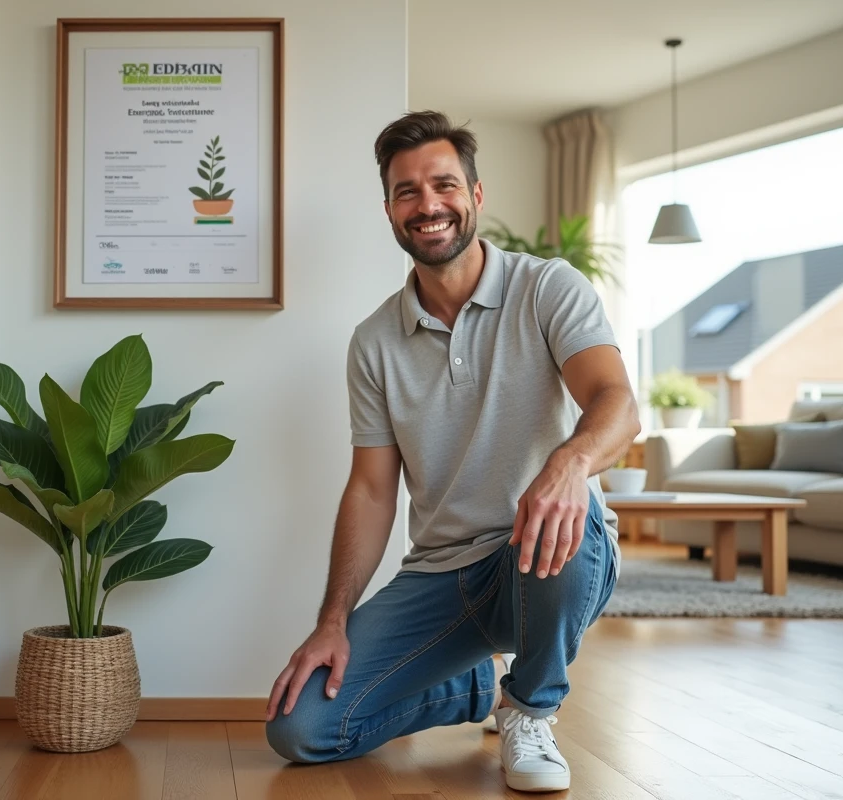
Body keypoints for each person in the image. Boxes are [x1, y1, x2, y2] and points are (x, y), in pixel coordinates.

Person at [264, 110, 639, 793]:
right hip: (443, 575)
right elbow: (373, 490)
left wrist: (569, 463)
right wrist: (331, 622)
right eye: (407, 191)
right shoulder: (375, 341)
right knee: (301, 730)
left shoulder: (547, 288)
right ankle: (473, 689)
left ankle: (529, 708)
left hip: (547, 551)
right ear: (388, 210)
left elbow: (615, 400)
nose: (428, 204)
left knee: (568, 503)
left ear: (476, 195)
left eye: (443, 184)